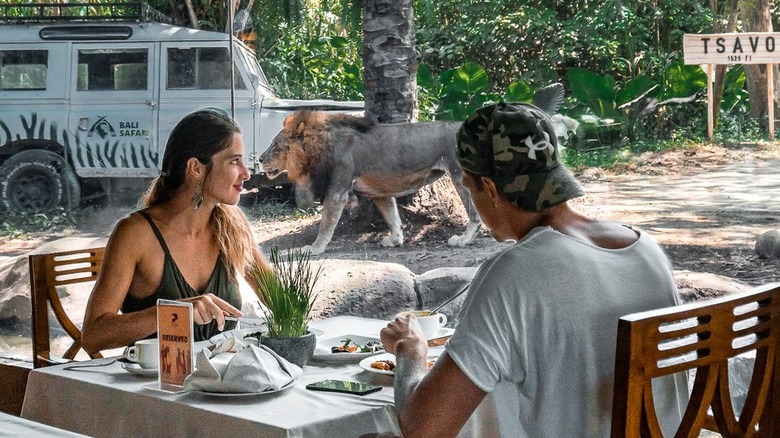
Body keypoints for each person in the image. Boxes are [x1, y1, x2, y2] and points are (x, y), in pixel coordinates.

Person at [380, 102, 689, 437]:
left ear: (492, 190)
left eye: (470, 188)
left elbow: (425, 429)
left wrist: (410, 350)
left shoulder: (513, 274)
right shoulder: (645, 249)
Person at [82, 109, 269, 353]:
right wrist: (174, 312)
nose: (246, 172)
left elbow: (277, 297)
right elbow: (94, 335)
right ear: (196, 169)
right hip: (155, 388)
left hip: (226, 384)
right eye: (234, 161)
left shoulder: (232, 225)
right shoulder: (135, 234)